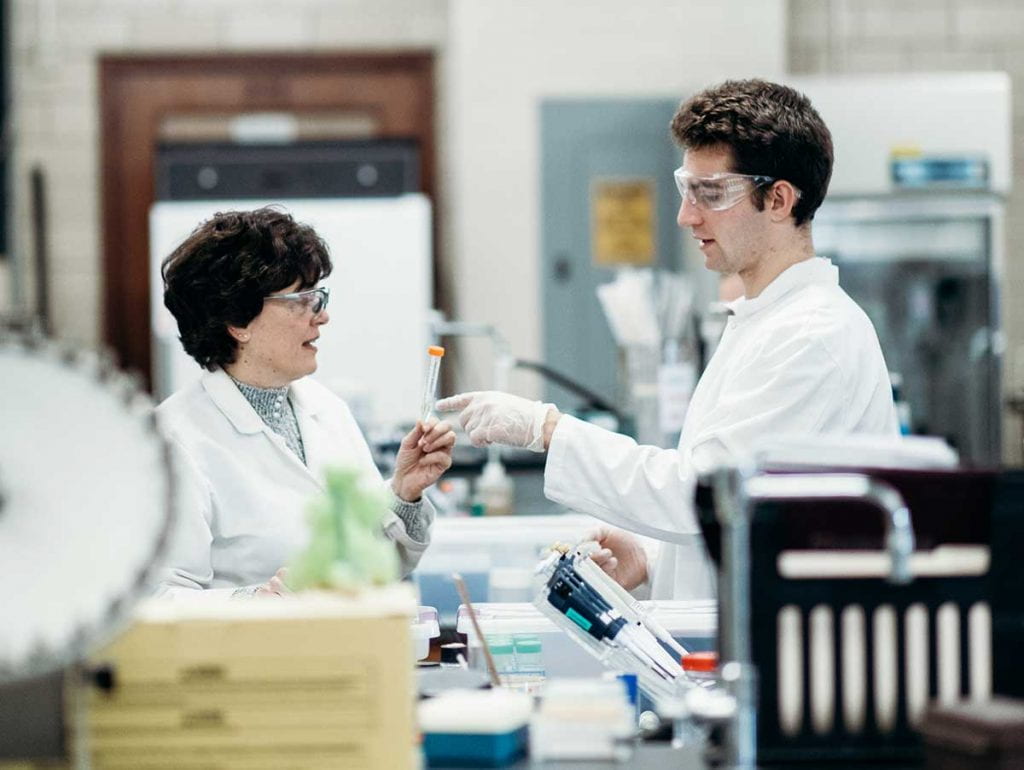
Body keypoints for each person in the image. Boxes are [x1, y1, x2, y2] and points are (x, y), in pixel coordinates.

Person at [438, 79, 898, 600]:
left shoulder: (812, 336)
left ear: (779, 199)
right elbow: (740, 512)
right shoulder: (764, 322)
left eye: (711, 193)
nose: (686, 216)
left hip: (799, 654)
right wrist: (652, 560)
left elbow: (707, 495)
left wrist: (547, 429)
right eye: (687, 188)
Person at [155, 207, 455, 598]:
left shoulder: (326, 410)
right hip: (251, 659)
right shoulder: (173, 438)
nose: (322, 316)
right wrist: (255, 601)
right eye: (302, 300)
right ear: (237, 322)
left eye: (319, 297)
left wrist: (403, 493)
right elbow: (158, 599)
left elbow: (369, 566)